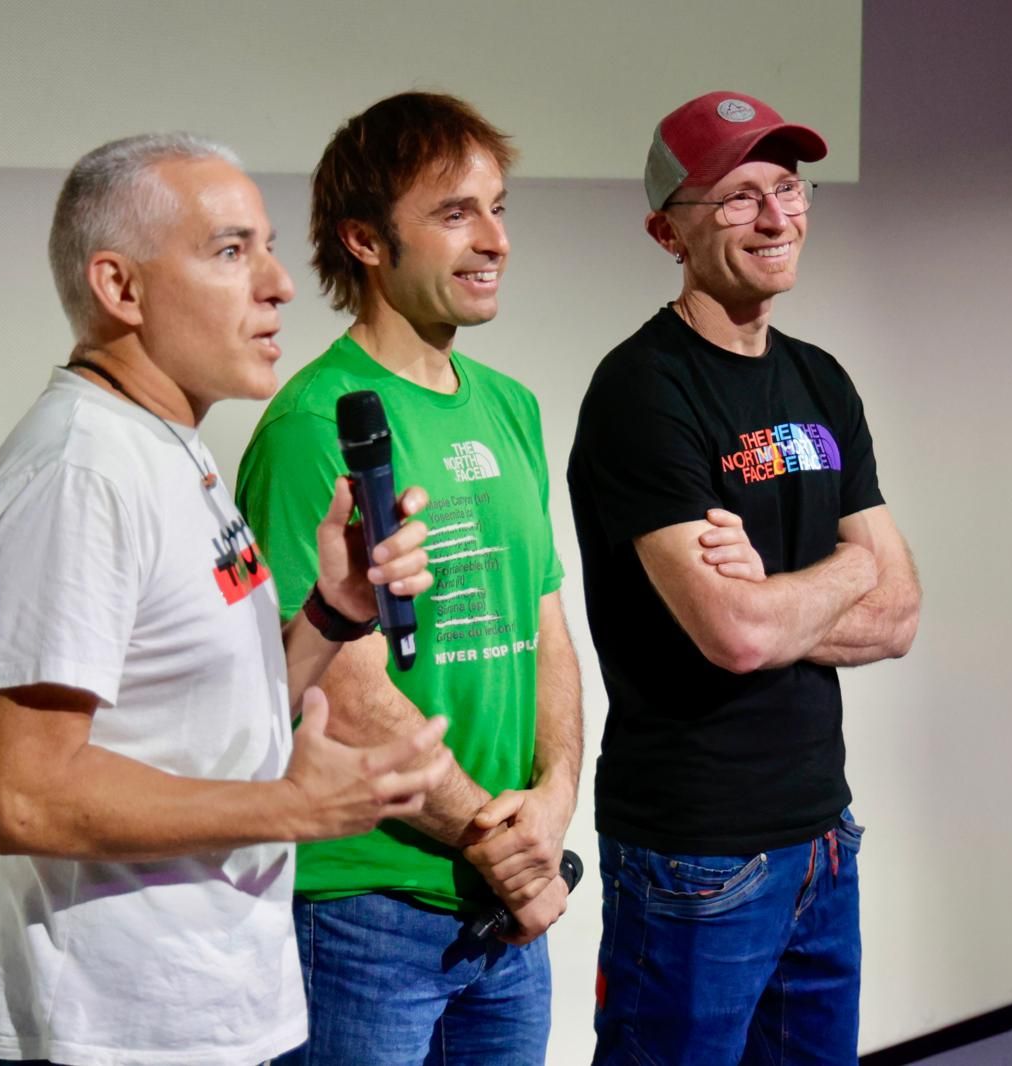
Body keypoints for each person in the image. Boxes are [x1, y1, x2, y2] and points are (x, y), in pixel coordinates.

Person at [0, 132, 453, 1066]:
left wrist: (334, 613)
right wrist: (295, 808)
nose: (279, 284)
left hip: (200, 1012)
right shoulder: (79, 471)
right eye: (230, 251)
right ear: (120, 288)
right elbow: (24, 795)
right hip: (109, 1030)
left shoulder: (166, 446)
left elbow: (210, 714)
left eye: (265, 246)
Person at [568, 91, 922, 1064]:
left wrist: (770, 599)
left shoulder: (819, 379)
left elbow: (897, 614)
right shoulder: (644, 390)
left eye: (785, 188)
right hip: (695, 852)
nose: (773, 217)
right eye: (734, 198)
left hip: (820, 837)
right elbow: (738, 634)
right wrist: (843, 568)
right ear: (664, 231)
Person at [236, 92, 582, 1063]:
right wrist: (497, 840)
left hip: (505, 909)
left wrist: (550, 803)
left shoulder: (510, 406)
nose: (493, 240)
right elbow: (338, 688)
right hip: (364, 914)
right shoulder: (315, 424)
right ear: (365, 241)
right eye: (454, 212)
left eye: (498, 208)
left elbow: (548, 628)